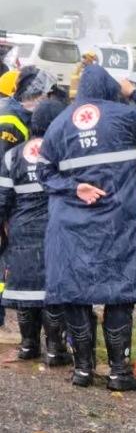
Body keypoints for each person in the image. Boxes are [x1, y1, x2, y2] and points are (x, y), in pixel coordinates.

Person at [38, 65, 136, 389]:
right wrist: (134, 93)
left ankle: (83, 370)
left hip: (71, 225)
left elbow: (44, 174)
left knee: (75, 295)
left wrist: (75, 188)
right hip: (116, 224)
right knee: (119, 294)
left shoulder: (59, 125)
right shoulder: (125, 118)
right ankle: (118, 373)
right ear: (111, 89)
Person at [0, 99, 71, 365]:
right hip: (54, 230)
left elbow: (2, 198)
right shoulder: (60, 153)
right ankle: (54, 348)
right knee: (51, 290)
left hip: (20, 231)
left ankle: (28, 345)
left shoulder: (13, 155)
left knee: (25, 287)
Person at [0, 66, 57, 157]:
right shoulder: (9, 123)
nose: (47, 98)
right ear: (33, 94)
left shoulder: (25, 113)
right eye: (45, 94)